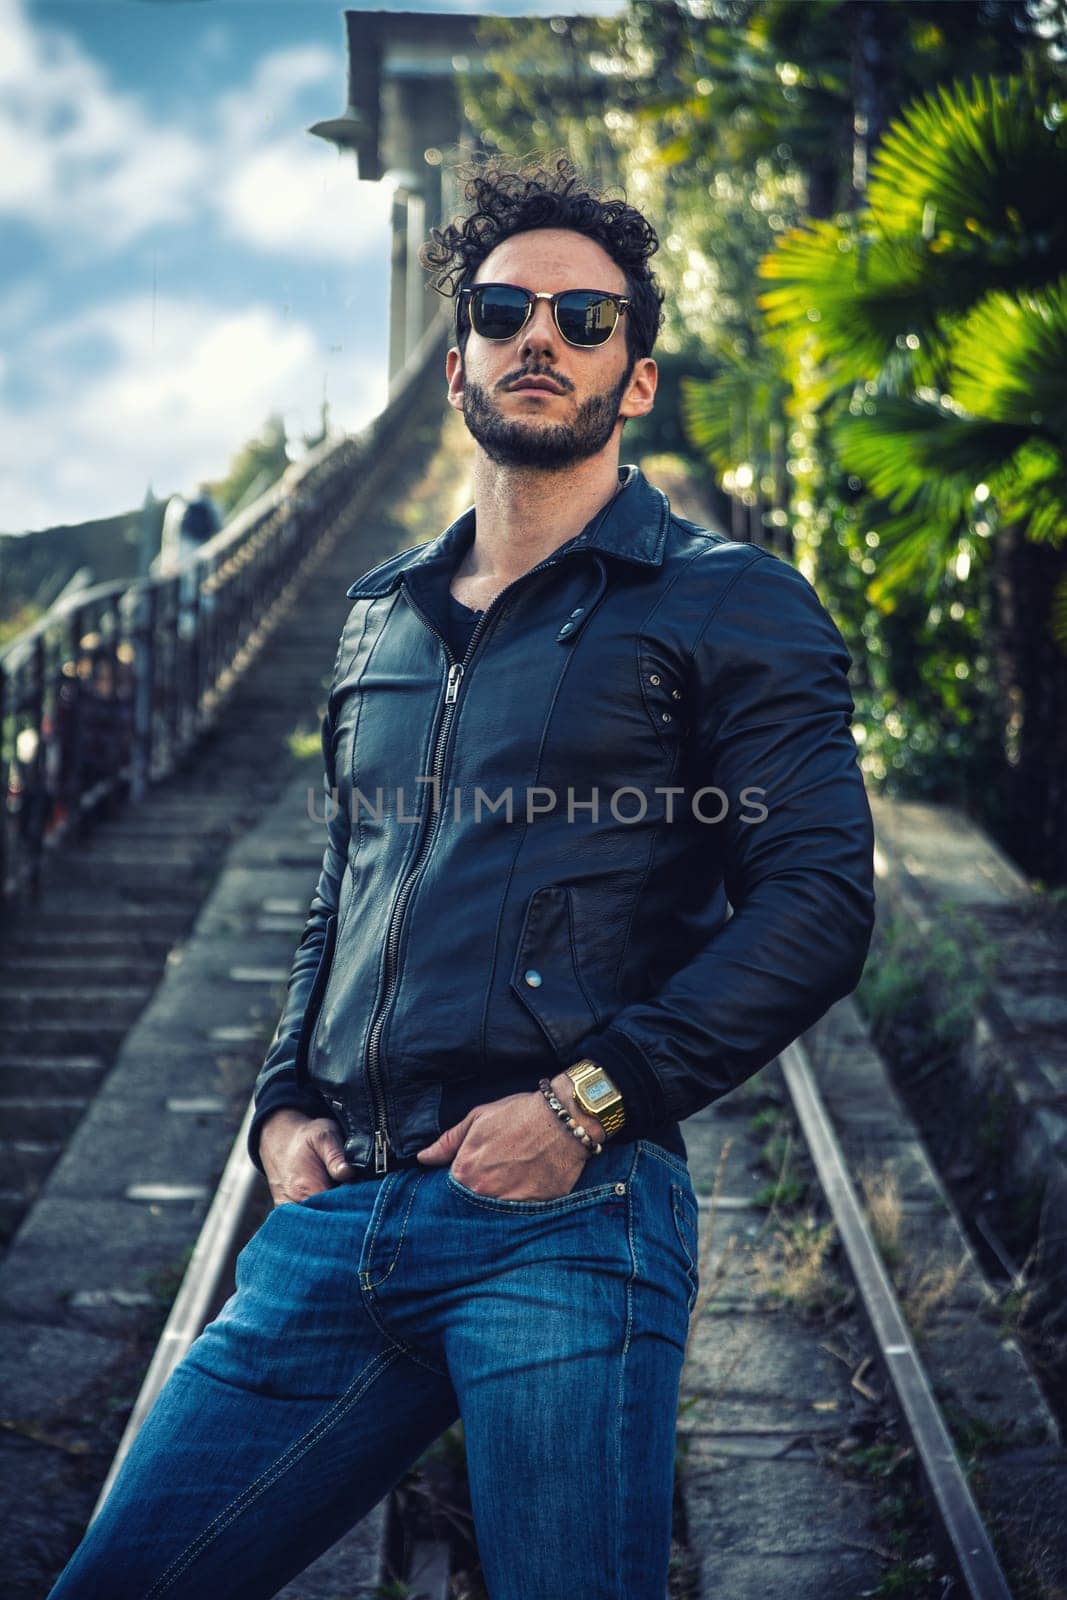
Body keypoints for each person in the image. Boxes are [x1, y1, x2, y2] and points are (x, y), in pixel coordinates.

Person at [49, 157, 876, 1600]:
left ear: (636, 378)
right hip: (337, 1221)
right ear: (458, 364)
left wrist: (583, 1105)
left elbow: (818, 903)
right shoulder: (381, 617)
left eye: (583, 316)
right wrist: (279, 1106)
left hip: (562, 1216)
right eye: (504, 310)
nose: (537, 336)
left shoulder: (731, 602)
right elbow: (347, 883)